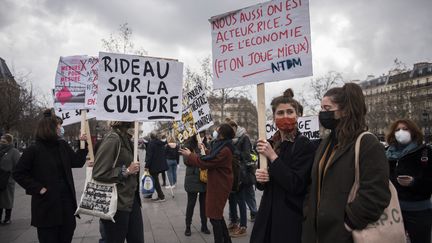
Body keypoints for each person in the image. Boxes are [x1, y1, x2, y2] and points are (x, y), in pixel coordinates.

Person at [302, 83, 391, 243]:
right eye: (321, 108)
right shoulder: (325, 143)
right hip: (316, 233)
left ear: (344, 110)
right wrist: (308, 211)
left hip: (344, 235)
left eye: (327, 109)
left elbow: (376, 194)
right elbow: (314, 182)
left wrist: (348, 224)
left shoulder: (367, 143)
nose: (322, 113)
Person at [12, 109, 88, 243]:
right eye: (58, 126)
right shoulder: (34, 150)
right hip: (47, 207)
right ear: (50, 128)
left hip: (66, 206)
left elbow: (77, 162)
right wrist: (38, 188)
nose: (60, 128)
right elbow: (18, 173)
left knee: (67, 235)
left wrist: (82, 146)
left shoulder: (62, 145)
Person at [250, 89, 315, 243]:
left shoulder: (304, 144)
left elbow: (296, 184)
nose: (285, 116)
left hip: (290, 217)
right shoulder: (269, 143)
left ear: (297, 116)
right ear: (273, 118)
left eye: (290, 112)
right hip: (268, 213)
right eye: (280, 113)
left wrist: (273, 156)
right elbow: (262, 184)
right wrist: (260, 178)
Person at [180, 124, 235, 243]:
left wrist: (190, 155)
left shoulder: (225, 149)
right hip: (216, 183)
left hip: (220, 185)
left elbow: (208, 162)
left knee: (215, 217)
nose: (215, 131)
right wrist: (205, 149)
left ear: (222, 134)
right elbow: (212, 155)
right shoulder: (222, 145)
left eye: (218, 130)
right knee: (217, 216)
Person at [92, 121, 143, 243]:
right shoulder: (113, 139)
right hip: (116, 203)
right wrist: (126, 171)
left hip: (131, 199)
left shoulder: (127, 139)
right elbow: (99, 172)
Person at [385, 119, 432, 243]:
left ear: (413, 132)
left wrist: (414, 182)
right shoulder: (386, 154)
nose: (401, 132)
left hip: (419, 211)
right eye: (397, 129)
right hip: (393, 211)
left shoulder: (425, 152)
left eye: (405, 129)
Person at [225, 119, 256, 237]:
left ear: (235, 128)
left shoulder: (244, 138)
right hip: (231, 173)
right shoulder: (229, 140)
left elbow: (247, 156)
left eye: (231, 129)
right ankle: (234, 221)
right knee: (232, 199)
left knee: (241, 200)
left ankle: (243, 227)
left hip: (241, 174)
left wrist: (234, 151)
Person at [182, 134, 211, 236]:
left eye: (203, 135)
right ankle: (188, 226)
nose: (201, 137)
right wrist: (199, 156)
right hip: (192, 178)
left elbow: (209, 159)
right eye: (199, 135)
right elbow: (187, 161)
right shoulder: (188, 145)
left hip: (204, 179)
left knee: (204, 205)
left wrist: (204, 150)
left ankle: (204, 225)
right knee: (191, 204)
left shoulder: (206, 145)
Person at [0, 133, 20, 225]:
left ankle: (7, 218)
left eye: (4, 141)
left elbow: (18, 166)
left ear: (9, 141)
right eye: (1, 141)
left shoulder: (14, 151)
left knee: (7, 199)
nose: (1, 143)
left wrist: (12, 176)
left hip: (8, 179)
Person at [144, 131, 168, 202]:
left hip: (154, 165)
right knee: (154, 180)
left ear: (151, 137)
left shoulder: (151, 143)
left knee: (155, 181)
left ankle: (161, 196)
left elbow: (149, 156)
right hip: (160, 164)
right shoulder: (160, 143)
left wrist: (146, 166)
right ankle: (151, 194)